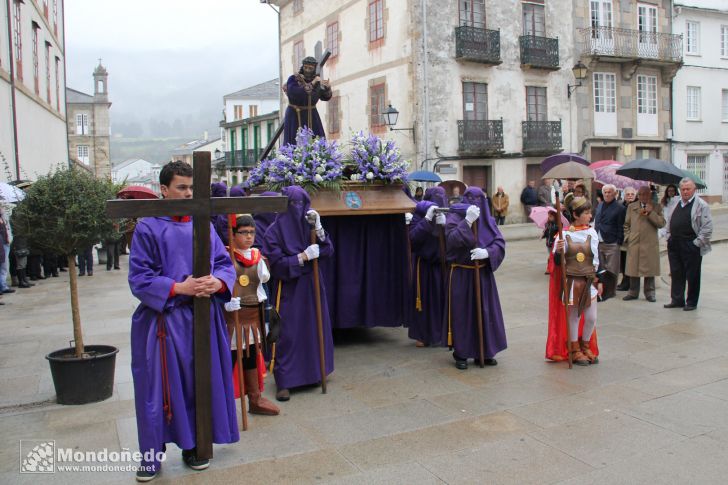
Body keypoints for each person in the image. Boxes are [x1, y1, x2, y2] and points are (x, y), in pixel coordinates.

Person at [128, 161, 239, 481]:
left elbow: (222, 263)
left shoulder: (201, 222)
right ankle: (151, 454)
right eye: (182, 187)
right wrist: (179, 287)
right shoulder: (148, 226)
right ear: (164, 190)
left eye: (192, 188)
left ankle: (194, 446)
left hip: (202, 319)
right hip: (163, 323)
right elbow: (139, 278)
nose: (189, 194)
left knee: (196, 386)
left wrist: (217, 282)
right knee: (156, 391)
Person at [263, 186, 334, 401]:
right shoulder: (273, 231)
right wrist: (301, 257)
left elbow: (328, 251)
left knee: (312, 328)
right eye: (294, 204)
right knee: (289, 332)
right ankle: (285, 380)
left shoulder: (309, 225)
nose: (298, 209)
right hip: (289, 287)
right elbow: (275, 264)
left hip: (312, 284)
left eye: (302, 204)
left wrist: (320, 230)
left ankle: (314, 372)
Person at [223, 214, 280, 416]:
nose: (248, 236)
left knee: (250, 356)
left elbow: (263, 281)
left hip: (253, 315)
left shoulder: (258, 257)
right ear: (233, 233)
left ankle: (255, 399)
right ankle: (220, 404)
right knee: (228, 358)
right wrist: (226, 301)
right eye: (243, 232)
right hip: (233, 316)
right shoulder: (225, 256)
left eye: (252, 232)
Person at [445, 187, 507, 370]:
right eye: (470, 198)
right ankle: (462, 353)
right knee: (463, 314)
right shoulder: (454, 217)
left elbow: (499, 242)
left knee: (485, 312)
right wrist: (467, 221)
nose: (474, 202)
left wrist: (487, 252)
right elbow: (452, 240)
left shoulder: (489, 220)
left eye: (478, 198)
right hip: (462, 274)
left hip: (482, 275)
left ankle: (486, 351)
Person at [547, 197, 601, 365]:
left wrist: (599, 279)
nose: (590, 215)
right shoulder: (564, 235)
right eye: (586, 213)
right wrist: (559, 252)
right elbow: (556, 262)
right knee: (574, 316)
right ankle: (574, 348)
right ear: (576, 215)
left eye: (590, 212)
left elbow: (597, 258)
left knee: (592, 317)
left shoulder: (592, 232)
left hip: (588, 279)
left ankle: (586, 345)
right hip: (571, 281)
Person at [663, 178, 712, 311]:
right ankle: (677, 299)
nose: (685, 191)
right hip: (674, 243)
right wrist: (668, 236)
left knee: (693, 275)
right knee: (676, 272)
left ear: (694, 190)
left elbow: (707, 228)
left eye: (688, 189)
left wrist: (697, 243)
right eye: (683, 189)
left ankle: (691, 302)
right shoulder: (675, 202)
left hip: (691, 244)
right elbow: (669, 221)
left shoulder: (701, 205)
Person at [408, 187, 448, 347]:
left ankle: (445, 334)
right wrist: (426, 220)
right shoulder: (418, 214)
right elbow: (412, 238)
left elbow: (456, 239)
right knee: (423, 301)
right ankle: (422, 335)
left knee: (443, 300)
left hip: (443, 265)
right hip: (423, 265)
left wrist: (446, 226)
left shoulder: (449, 214)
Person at [623, 186, 665, 302]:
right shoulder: (632, 207)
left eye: (646, 194)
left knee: (649, 269)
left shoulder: (656, 207)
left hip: (649, 243)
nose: (643, 197)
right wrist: (628, 237)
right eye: (641, 194)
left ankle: (650, 292)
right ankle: (633, 292)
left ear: (650, 195)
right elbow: (626, 224)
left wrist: (651, 212)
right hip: (635, 242)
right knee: (633, 268)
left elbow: (661, 223)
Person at [283, 57, 332, 146]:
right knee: (294, 143)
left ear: (314, 69)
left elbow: (325, 97)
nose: (307, 70)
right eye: (305, 67)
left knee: (316, 142)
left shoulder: (318, 81)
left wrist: (327, 88)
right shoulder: (294, 79)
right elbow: (295, 93)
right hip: (295, 115)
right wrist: (312, 83)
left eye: (310, 68)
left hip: (312, 115)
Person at [594, 184, 625, 299]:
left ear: (615, 193)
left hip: (612, 242)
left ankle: (611, 291)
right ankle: (603, 289)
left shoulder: (620, 208)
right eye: (605, 192)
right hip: (599, 240)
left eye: (609, 192)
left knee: (612, 268)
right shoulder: (600, 205)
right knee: (601, 268)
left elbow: (621, 226)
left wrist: (618, 241)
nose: (607, 194)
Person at [616, 186, 638, 290]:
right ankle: (625, 281)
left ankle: (629, 284)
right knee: (623, 261)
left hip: (633, 238)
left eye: (632, 194)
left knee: (631, 263)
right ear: (624, 196)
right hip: (622, 238)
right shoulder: (621, 206)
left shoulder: (638, 206)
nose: (630, 196)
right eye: (628, 194)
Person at [0, 208, 14, 295]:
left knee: (4, 266)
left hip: (5, 244)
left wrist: (9, 238)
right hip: (1, 245)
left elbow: (8, 229)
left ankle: (3, 285)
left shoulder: (4, 217)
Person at [541, 209, 559, 274]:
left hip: (554, 243)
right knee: (550, 256)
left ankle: (550, 269)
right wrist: (543, 235)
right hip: (548, 243)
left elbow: (558, 233)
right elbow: (546, 233)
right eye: (548, 216)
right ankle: (550, 268)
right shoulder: (547, 224)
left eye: (551, 216)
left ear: (555, 216)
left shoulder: (557, 224)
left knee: (552, 256)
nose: (549, 217)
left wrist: (555, 227)